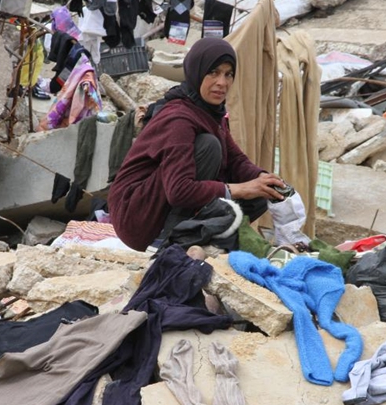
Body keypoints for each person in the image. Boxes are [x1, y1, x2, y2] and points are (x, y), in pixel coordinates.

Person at [108, 37, 286, 252]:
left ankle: (200, 234)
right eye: (213, 72)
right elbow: (179, 190)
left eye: (228, 74)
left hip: (161, 203)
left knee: (258, 196)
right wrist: (239, 189)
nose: (222, 82)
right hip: (137, 217)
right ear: (197, 71)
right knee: (209, 147)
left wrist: (262, 179)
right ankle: (171, 243)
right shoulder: (179, 118)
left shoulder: (210, 111)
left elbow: (236, 159)